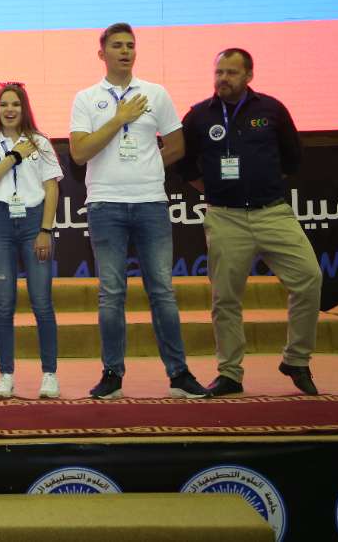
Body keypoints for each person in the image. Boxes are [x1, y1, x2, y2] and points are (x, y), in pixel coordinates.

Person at [69, 23, 208, 400]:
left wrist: (145, 166)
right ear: (102, 54)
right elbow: (79, 153)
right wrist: (119, 118)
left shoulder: (156, 93)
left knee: (162, 290)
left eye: (130, 45)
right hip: (105, 204)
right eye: (117, 45)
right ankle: (112, 374)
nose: (125, 51)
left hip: (150, 202)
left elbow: (176, 146)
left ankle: (179, 374)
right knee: (111, 293)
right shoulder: (86, 98)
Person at [177, 48, 321, 396]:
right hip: (225, 218)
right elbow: (183, 163)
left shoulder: (271, 109)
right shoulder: (199, 115)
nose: (223, 79)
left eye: (231, 72)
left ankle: (296, 359)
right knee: (225, 298)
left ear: (249, 76)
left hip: (272, 213)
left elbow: (292, 158)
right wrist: (212, 189)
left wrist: (261, 184)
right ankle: (230, 373)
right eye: (219, 72)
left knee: (309, 279)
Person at [0, 82, 63, 399]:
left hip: (34, 223)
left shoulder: (40, 142)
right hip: (0, 223)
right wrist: (12, 157)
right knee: (3, 303)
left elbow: (51, 188)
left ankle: (49, 374)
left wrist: (45, 230)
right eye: (3, 104)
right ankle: (6, 375)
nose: (9, 110)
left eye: (15, 104)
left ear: (24, 108)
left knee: (41, 301)